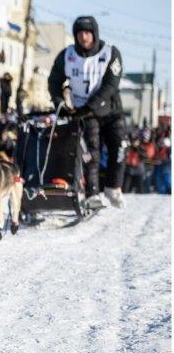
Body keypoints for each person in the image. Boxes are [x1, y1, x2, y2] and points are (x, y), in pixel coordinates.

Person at [48, 15, 126, 209]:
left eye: (88, 32)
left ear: (95, 33)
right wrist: (60, 103)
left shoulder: (110, 53)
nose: (84, 37)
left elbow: (111, 84)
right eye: (80, 33)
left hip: (111, 111)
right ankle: (92, 193)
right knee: (91, 154)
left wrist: (90, 105)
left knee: (120, 148)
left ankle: (113, 187)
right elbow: (54, 81)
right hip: (85, 115)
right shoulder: (67, 55)